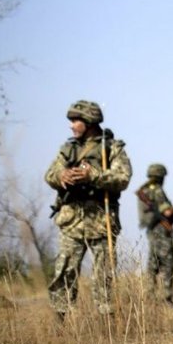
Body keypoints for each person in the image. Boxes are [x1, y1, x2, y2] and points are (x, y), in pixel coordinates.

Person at [45, 100, 132, 319]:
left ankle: (107, 322)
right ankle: (60, 321)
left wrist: (92, 175)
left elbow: (123, 178)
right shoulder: (68, 149)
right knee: (64, 271)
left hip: (102, 220)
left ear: (89, 121)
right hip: (71, 220)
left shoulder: (111, 147)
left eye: (76, 121)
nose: (71, 125)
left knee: (104, 273)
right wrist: (62, 175)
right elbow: (50, 174)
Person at [136, 163, 173, 308]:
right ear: (161, 176)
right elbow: (167, 212)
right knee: (167, 262)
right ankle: (165, 298)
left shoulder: (144, 190)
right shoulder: (156, 190)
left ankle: (150, 299)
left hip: (151, 230)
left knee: (153, 263)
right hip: (160, 229)